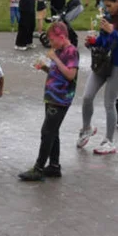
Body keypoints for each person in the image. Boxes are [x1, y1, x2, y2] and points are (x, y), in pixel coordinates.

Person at [79, 0, 118, 155]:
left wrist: (114, 32)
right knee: (87, 97)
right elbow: (103, 42)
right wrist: (92, 42)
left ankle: (109, 141)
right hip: (102, 64)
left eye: (109, 5)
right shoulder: (108, 18)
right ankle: (86, 128)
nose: (107, 9)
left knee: (109, 103)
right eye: (105, 6)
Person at [18, 21, 79, 181]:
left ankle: (38, 168)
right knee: (53, 132)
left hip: (61, 99)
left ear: (62, 36)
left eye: (52, 40)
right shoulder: (58, 51)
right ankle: (54, 166)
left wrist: (55, 59)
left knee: (47, 132)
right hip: (52, 97)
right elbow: (58, 72)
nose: (50, 43)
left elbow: (70, 75)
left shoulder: (71, 51)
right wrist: (45, 67)